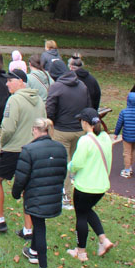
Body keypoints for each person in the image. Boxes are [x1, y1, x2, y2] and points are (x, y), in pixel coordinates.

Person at [0, 68, 46, 235]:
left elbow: (8, 128)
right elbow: (44, 123)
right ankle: (28, 229)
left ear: (21, 82)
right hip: (35, 149)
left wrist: (3, 142)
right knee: (28, 187)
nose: (7, 84)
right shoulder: (39, 99)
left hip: (14, 149)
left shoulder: (14, 100)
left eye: (10, 81)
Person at [12, 118, 68, 268]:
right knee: (39, 222)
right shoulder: (60, 148)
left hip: (35, 195)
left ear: (36, 130)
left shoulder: (29, 150)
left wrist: (16, 193)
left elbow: (21, 177)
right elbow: (63, 172)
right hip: (53, 194)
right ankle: (33, 251)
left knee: (39, 227)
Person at [64, 108, 115, 261]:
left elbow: (77, 163)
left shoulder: (85, 140)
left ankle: (81, 251)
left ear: (85, 123)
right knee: (87, 211)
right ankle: (103, 239)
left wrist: (69, 166)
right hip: (101, 185)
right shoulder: (105, 138)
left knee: (81, 215)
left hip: (85, 186)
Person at [44, 63, 92, 208]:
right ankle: (81, 193)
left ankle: (65, 196)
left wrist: (51, 123)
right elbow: (88, 106)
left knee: (63, 163)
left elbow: (49, 109)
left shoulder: (56, 87)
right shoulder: (82, 86)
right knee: (77, 163)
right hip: (79, 129)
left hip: (61, 130)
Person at [113, 91, 135, 178]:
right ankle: (130, 166)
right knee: (132, 151)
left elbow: (119, 124)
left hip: (127, 136)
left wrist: (116, 133)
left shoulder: (123, 112)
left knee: (126, 153)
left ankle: (127, 170)